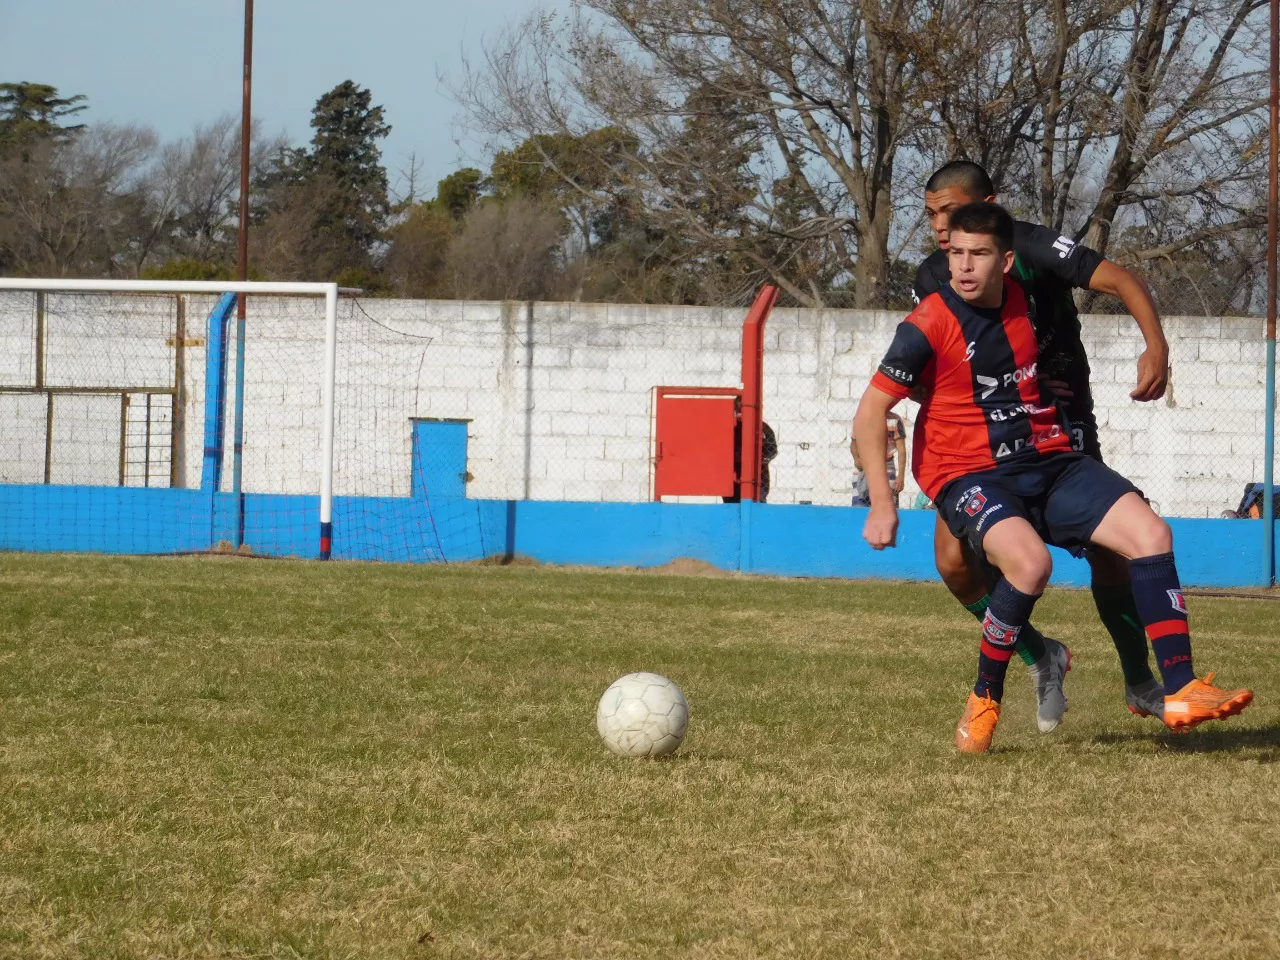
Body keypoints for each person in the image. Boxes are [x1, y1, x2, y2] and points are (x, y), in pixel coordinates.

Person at [854, 201, 1252, 753]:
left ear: (1007, 261)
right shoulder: (926, 324)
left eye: (979, 254)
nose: (963, 266)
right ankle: (985, 696)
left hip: (1048, 458)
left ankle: (1179, 689)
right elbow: (870, 412)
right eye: (956, 254)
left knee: (1152, 536)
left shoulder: (1023, 299)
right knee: (1030, 565)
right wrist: (882, 502)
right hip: (969, 472)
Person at [912, 160, 1171, 728]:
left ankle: (1141, 682)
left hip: (1058, 417)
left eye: (950, 210)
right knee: (953, 565)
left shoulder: (1032, 246)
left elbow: (1122, 278)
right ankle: (1039, 652)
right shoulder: (933, 275)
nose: (939, 225)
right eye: (932, 213)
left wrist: (1156, 346)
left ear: (991, 205)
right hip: (983, 435)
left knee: (1111, 550)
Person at [851, 412, 905, 507]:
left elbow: (902, 450)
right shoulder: (860, 418)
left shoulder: (895, 420)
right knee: (859, 507)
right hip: (863, 468)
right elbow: (853, 443)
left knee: (887, 508)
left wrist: (900, 476)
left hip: (886, 467)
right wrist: (856, 458)